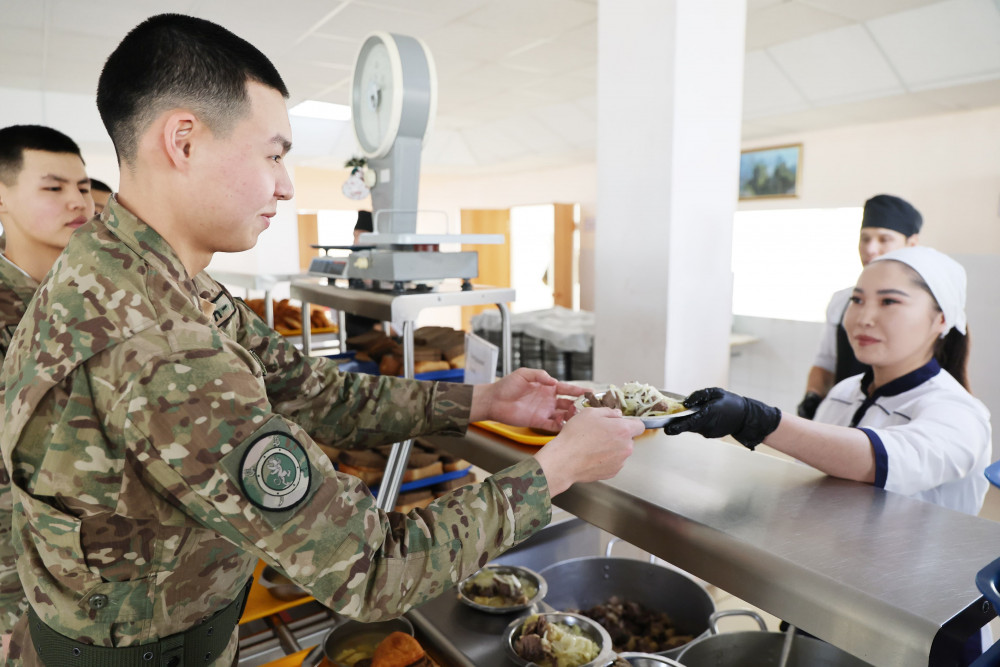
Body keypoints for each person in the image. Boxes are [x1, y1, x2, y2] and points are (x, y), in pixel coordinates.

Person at [0, 14, 643, 666]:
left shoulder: (136, 273)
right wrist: (556, 469)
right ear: (184, 141)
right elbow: (370, 567)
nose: (284, 184)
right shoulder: (161, 350)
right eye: (274, 154)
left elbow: (309, 387)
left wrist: (481, 401)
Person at [670, 246, 989, 660]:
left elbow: (878, 459)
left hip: (917, 630)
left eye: (890, 301)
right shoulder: (843, 392)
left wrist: (757, 420)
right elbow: (818, 489)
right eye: (857, 299)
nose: (863, 316)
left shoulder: (959, 413)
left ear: (941, 319)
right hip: (835, 602)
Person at [0, 124, 95, 655]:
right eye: (53, 188)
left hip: (99, 584)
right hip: (18, 594)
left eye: (82, 187)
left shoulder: (88, 298)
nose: (77, 202)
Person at [798, 194, 922, 419]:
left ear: (911, 244)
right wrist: (812, 397)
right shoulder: (840, 301)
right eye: (865, 238)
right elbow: (825, 363)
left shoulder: (924, 308)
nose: (871, 249)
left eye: (884, 239)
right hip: (844, 417)